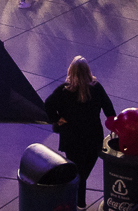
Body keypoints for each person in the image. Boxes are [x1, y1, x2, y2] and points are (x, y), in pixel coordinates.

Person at [43, 56, 117, 209]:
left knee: (77, 171)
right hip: (93, 138)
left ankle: (77, 202)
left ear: (71, 71)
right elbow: (109, 110)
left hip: (71, 138)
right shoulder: (96, 88)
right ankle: (78, 202)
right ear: (88, 71)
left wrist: (57, 119)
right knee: (82, 172)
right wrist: (114, 126)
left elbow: (48, 104)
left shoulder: (64, 90)